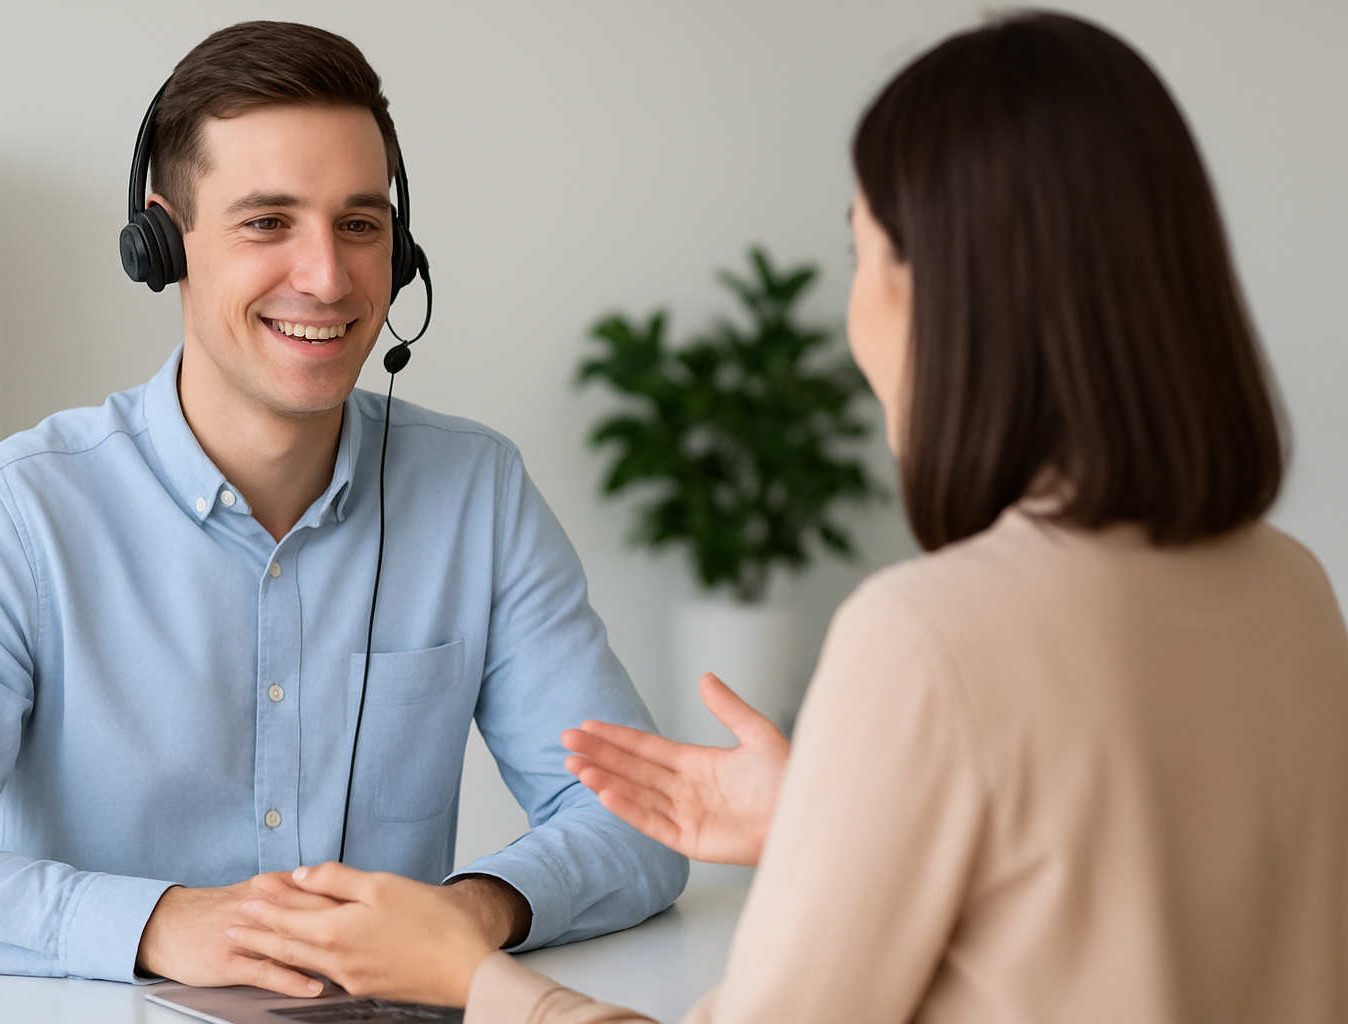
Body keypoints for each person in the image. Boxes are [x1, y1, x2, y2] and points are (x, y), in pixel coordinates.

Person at [213, 11, 1348, 1021]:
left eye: (865, 251)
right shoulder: (1293, 590)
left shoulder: (931, 635)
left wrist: (466, 972)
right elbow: (1107, 904)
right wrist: (834, 817)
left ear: (942, 290)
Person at [0, 21, 686, 991]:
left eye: (360, 223)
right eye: (268, 222)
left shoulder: (477, 493)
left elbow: (635, 820)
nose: (326, 275)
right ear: (162, 241)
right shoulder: (18, 513)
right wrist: (157, 922)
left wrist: (470, 909)